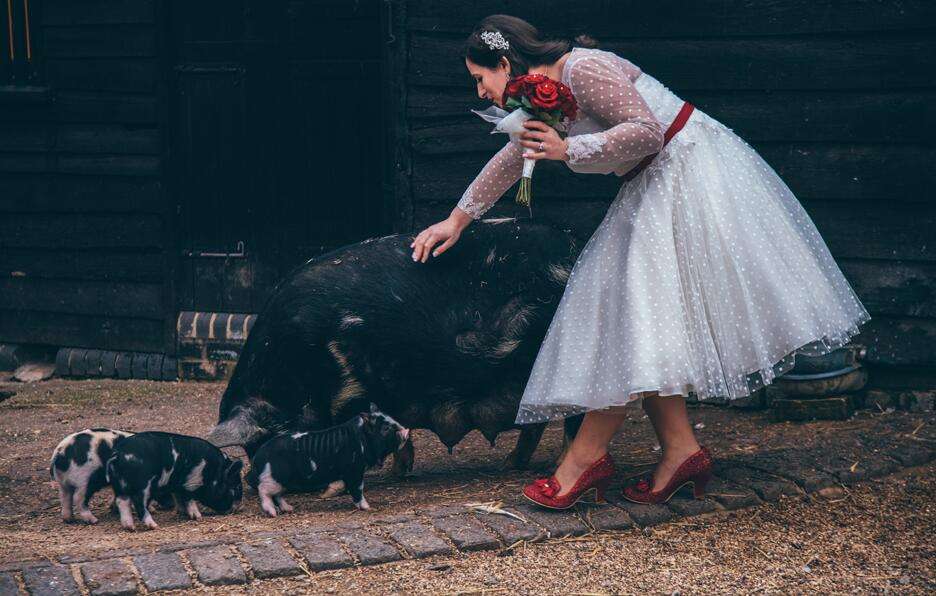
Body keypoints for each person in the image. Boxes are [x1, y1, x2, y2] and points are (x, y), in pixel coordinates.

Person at [409, 15, 871, 509]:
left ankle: (585, 459)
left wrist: (568, 148)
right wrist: (456, 221)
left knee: (628, 317)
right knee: (647, 322)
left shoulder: (583, 69)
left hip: (686, 173)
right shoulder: (536, 96)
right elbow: (512, 157)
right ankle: (681, 450)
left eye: (479, 78)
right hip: (651, 182)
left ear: (504, 63)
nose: (480, 91)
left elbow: (648, 132)